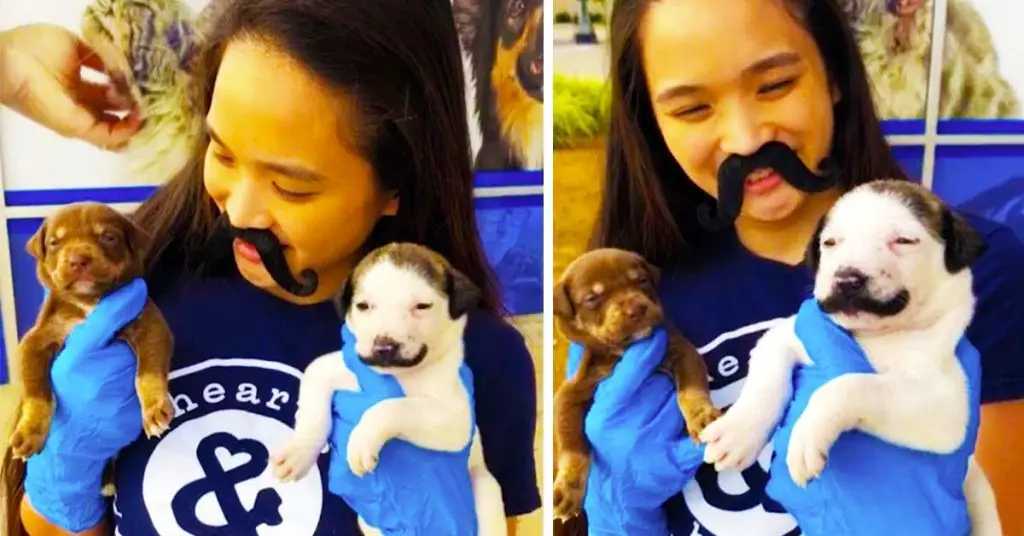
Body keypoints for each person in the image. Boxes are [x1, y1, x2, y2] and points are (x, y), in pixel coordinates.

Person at [0, 0, 541, 534]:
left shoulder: (478, 359)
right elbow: (44, 528)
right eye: (222, 152)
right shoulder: (138, 305)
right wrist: (65, 469)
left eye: (291, 187)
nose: (237, 212)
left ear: (396, 186)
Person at [574, 0, 1024, 535]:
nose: (745, 139)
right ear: (651, 123)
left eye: (775, 85)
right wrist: (613, 511)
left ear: (833, 75)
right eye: (693, 109)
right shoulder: (634, 299)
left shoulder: (966, 270)